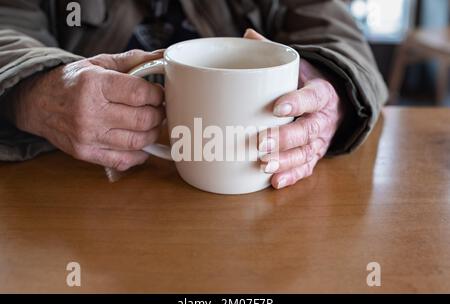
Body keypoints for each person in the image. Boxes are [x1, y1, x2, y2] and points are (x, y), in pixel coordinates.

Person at [0, 0, 387, 189]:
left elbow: (340, 35)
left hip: (267, 208)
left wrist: (331, 88)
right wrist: (36, 91)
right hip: (88, 193)